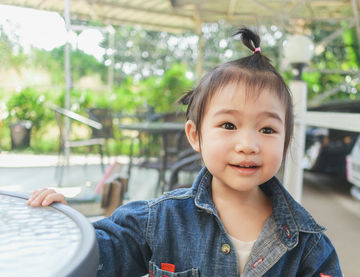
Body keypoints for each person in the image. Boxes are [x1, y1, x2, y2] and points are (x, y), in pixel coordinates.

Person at [28, 27, 342, 276]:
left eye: (268, 130)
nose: (248, 144)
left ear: (286, 139)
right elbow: (96, 256)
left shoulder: (309, 244)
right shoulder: (159, 221)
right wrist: (62, 224)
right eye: (229, 125)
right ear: (195, 135)